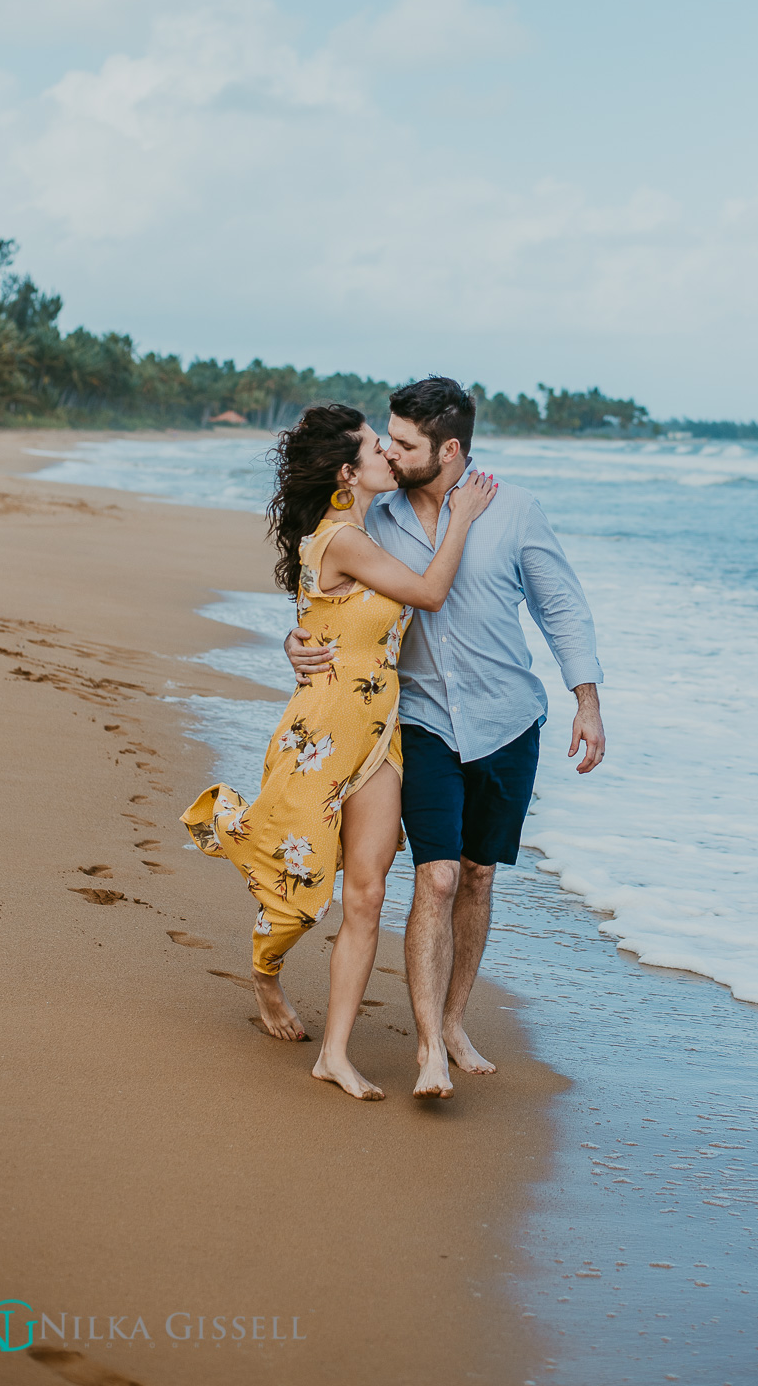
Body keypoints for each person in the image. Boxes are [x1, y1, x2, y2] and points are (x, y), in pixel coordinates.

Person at [286, 376, 605, 1099]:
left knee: (479, 876)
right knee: (436, 875)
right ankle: (429, 1047)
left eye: (405, 443)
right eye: (387, 442)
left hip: (507, 722)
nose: (391, 454)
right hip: (422, 721)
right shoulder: (378, 519)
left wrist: (587, 700)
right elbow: (327, 597)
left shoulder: (516, 511)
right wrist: (294, 641)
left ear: (449, 448)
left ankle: (455, 1021)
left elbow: (561, 608)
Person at [181, 402, 497, 1101]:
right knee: (302, 896)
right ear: (348, 473)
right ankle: (266, 976)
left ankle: (334, 1054)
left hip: (380, 738)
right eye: (374, 447)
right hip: (323, 735)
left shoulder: (359, 531)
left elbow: (326, 620)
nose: (389, 451)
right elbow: (431, 594)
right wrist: (465, 517)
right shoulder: (341, 540)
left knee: (367, 893)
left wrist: (294, 638)